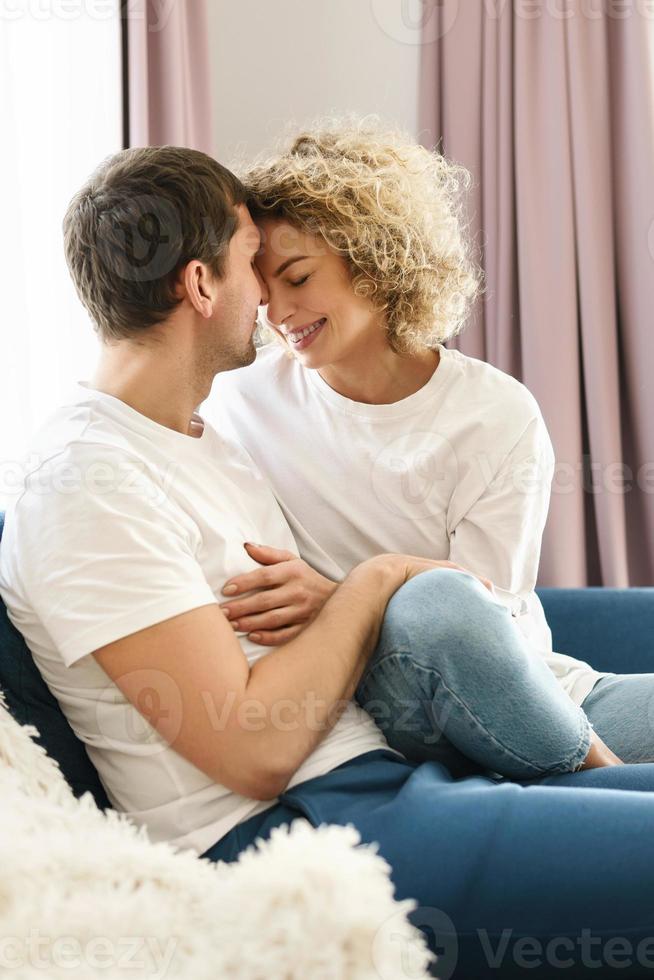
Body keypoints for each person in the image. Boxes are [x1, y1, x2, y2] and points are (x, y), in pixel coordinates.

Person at [1, 145, 653, 979]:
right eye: (251, 265)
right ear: (202, 286)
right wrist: (379, 579)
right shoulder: (87, 481)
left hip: (386, 778)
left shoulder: (201, 444)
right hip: (301, 830)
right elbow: (249, 749)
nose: (266, 298)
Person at [207, 116, 653, 773]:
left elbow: (488, 613)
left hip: (531, 689)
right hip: (391, 693)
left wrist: (338, 595)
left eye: (299, 279)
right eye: (265, 291)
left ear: (376, 259)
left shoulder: (497, 415)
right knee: (435, 601)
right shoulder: (243, 397)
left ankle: (580, 780)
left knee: (450, 604)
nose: (279, 314)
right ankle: (610, 799)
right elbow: (444, 613)